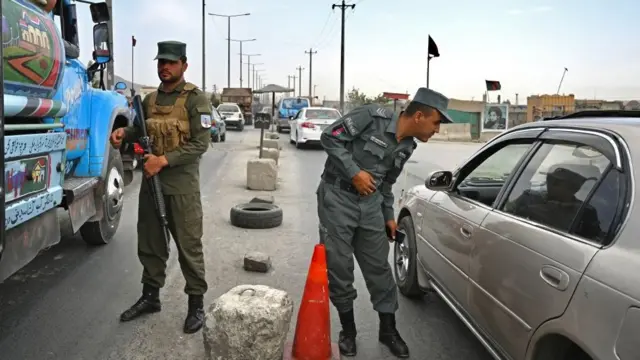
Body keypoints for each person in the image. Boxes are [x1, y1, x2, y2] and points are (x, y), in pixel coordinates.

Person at [317, 88, 453, 358]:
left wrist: (389, 216)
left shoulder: (407, 145)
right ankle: (349, 331)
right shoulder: (371, 117)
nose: (437, 130)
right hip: (337, 198)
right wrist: (354, 172)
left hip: (370, 207)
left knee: (379, 268)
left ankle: (388, 330)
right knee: (339, 267)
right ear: (418, 116)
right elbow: (329, 138)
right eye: (436, 122)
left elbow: (387, 184)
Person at [109, 40, 212, 334]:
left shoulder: (196, 100)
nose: (164, 67)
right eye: (160, 62)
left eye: (171, 62)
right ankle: (150, 296)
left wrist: (163, 160)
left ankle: (196, 304)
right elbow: (141, 131)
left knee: (188, 245)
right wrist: (123, 133)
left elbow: (200, 144)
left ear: (184, 65)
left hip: (181, 188)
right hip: (151, 184)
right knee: (151, 242)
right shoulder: (149, 100)